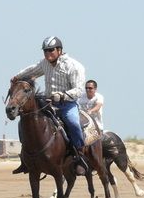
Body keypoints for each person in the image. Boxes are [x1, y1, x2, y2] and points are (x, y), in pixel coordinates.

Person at [10, 36, 88, 175]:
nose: (47, 53)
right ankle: (25, 160)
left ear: (59, 50)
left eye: (51, 50)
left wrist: (62, 95)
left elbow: (79, 90)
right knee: (24, 121)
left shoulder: (74, 66)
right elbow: (33, 70)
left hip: (67, 104)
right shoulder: (45, 63)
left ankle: (79, 157)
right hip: (47, 103)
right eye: (45, 51)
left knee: (73, 123)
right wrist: (17, 76)